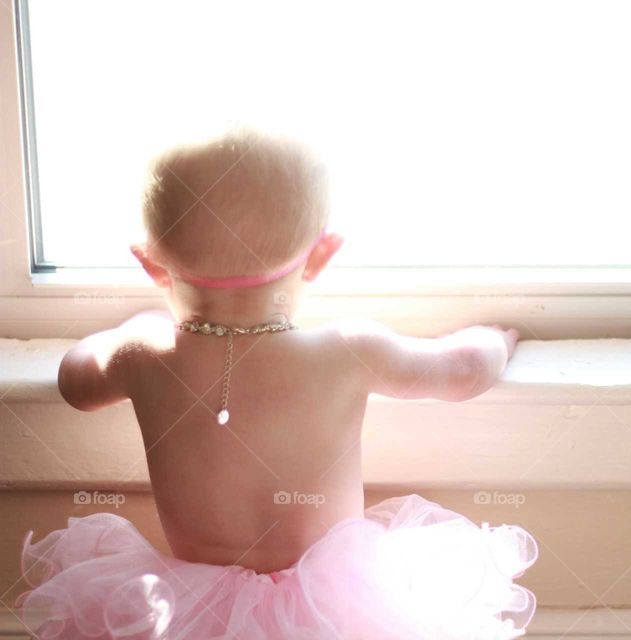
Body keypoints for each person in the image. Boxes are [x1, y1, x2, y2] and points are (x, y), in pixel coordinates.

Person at [15, 129, 537, 639]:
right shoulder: (348, 351)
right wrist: (495, 337)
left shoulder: (144, 355)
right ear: (322, 254)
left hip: (195, 617)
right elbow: (463, 372)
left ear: (150, 264)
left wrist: (132, 330)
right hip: (336, 616)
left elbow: (74, 383)